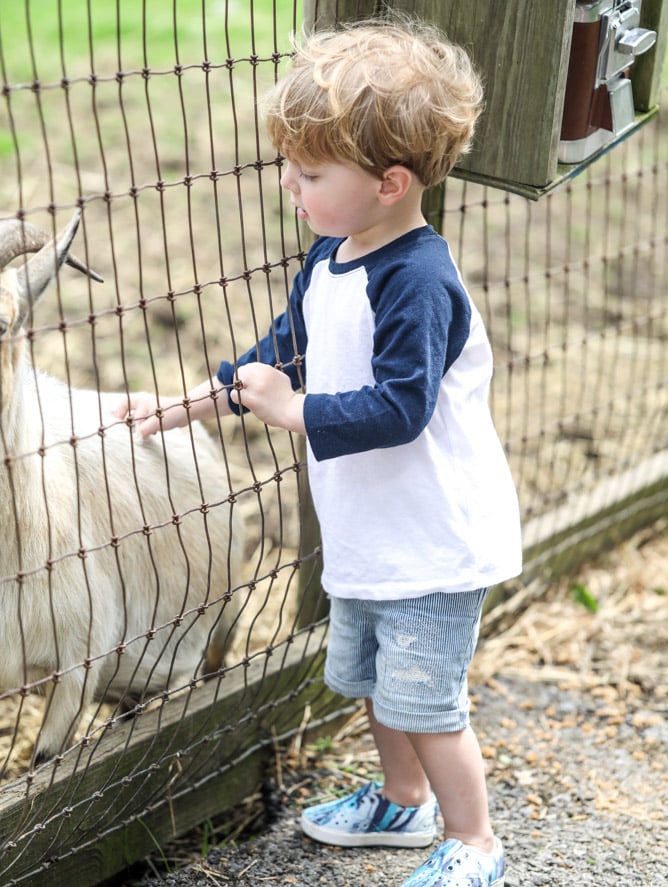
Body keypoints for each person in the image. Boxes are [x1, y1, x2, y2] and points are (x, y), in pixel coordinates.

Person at [115, 17, 521, 887]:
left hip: (433, 541)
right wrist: (196, 402)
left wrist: (294, 410)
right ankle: (402, 800)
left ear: (390, 183)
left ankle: (476, 841)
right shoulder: (332, 255)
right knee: (376, 682)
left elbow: (401, 408)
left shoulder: (418, 280)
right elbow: (284, 350)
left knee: (430, 704)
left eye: (310, 173)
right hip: (373, 534)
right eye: (289, 167)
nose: (288, 186)